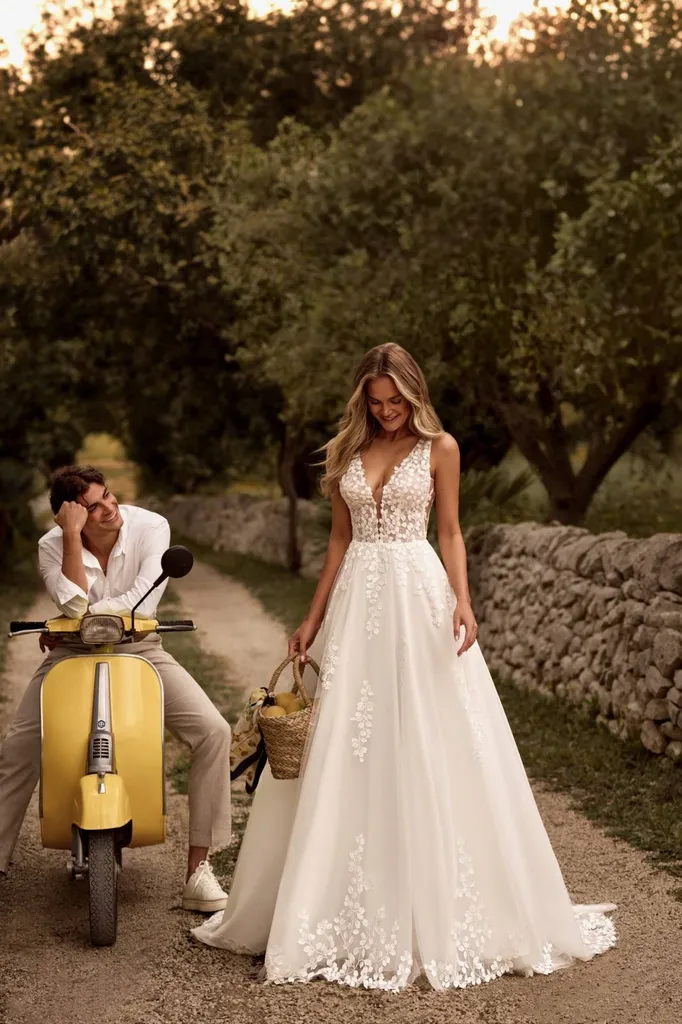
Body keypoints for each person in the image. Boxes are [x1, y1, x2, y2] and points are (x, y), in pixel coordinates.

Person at [192, 343, 617, 990]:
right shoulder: (344, 453)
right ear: (362, 400)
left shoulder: (440, 448)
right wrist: (311, 619)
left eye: (397, 402)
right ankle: (324, 903)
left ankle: (445, 906)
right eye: (377, 403)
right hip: (358, 599)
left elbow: (449, 532)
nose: (388, 413)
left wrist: (465, 602)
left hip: (419, 596)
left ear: (415, 396)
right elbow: (338, 540)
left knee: (432, 734)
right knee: (347, 742)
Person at [0, 465, 231, 912]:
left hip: (142, 649)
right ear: (71, 516)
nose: (109, 509)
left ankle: (199, 871)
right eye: (93, 507)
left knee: (214, 731)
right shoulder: (52, 545)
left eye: (109, 496)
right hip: (69, 654)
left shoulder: (150, 527)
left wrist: (78, 622)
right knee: (17, 748)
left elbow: (141, 599)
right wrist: (71, 540)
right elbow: (71, 602)